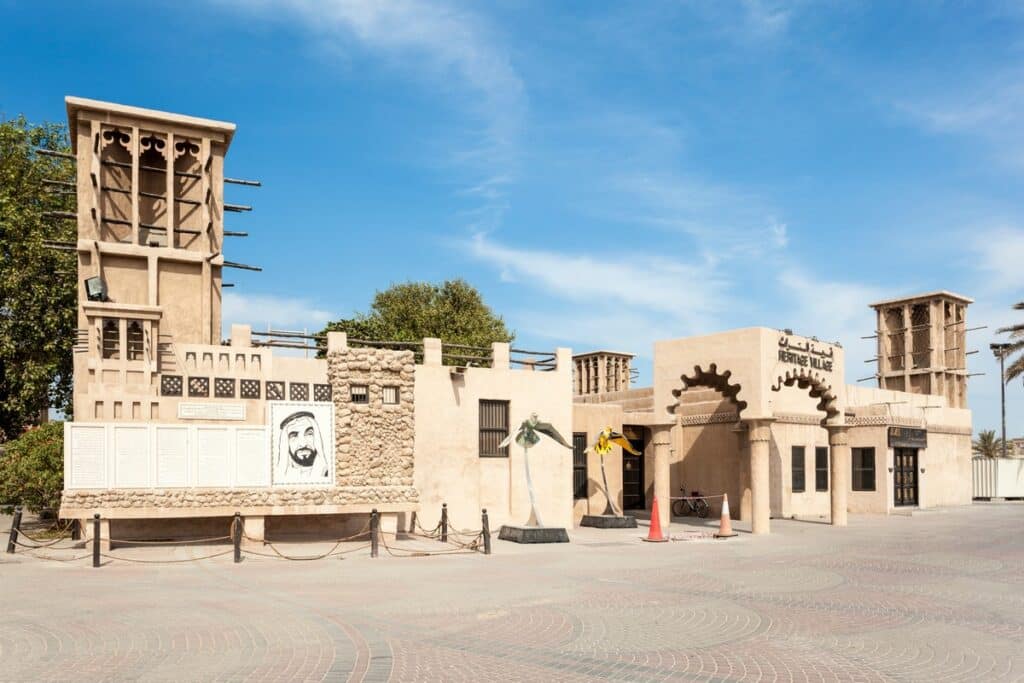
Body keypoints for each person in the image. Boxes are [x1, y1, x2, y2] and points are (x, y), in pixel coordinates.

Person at [275, 410, 330, 483]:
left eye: (309, 434)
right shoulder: (281, 477)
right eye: (294, 436)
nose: (303, 444)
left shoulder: (327, 473)